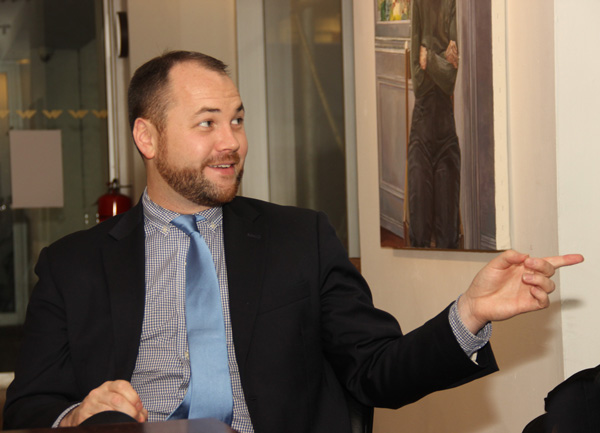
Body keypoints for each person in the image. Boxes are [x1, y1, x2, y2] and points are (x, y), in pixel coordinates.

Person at [2, 51, 583, 433]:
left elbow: (378, 370)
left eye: (237, 119)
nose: (231, 142)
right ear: (147, 136)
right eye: (207, 123)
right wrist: (78, 413)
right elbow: (29, 407)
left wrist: (469, 313)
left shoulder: (298, 238)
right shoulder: (70, 266)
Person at [407, 0, 461, 248]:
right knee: (418, 231)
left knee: (448, 233)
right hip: (421, 128)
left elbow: (450, 80)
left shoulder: (451, 3)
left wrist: (428, 56)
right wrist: (442, 62)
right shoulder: (418, 3)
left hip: (446, 133)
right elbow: (418, 82)